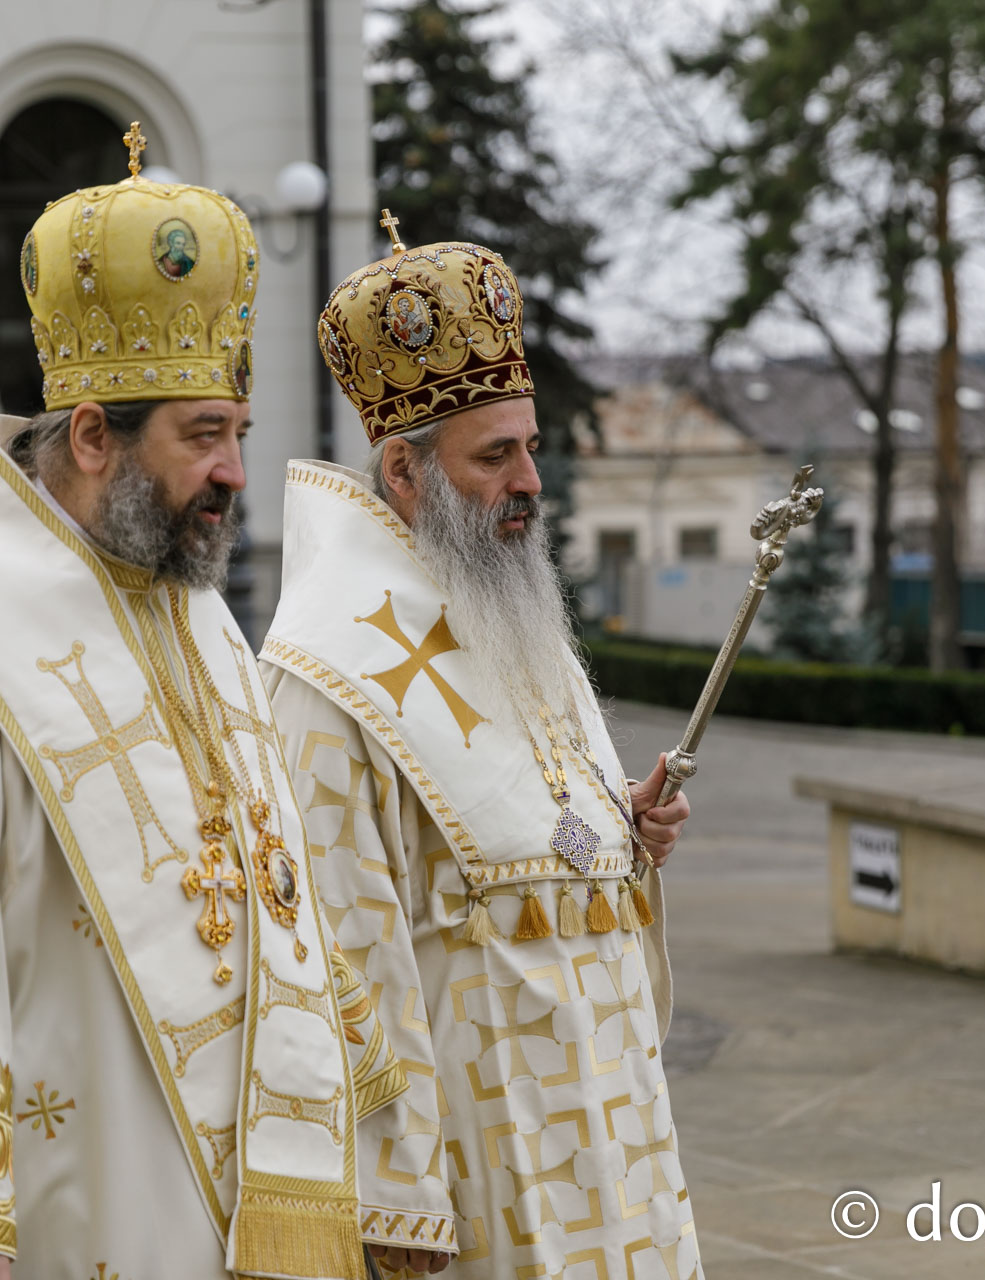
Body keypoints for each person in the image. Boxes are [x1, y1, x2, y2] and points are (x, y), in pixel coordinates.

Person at [0, 127, 395, 1280]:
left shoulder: (198, 619)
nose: (234, 472)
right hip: (82, 1224)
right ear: (91, 437)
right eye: (204, 437)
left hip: (255, 1219)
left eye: (238, 435)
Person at [260, 217, 701, 1278]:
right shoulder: (324, 670)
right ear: (404, 472)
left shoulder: (509, 606)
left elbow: (530, 843)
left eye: (532, 448)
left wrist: (622, 837)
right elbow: (338, 961)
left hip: (611, 1134)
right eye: (494, 455)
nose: (529, 482)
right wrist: (395, 1207)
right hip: (480, 1163)